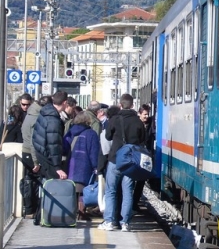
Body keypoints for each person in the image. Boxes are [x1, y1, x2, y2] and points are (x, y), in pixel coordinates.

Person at [99, 94, 144, 232]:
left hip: (115, 159)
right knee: (128, 192)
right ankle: (125, 223)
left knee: (111, 191)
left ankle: (109, 222)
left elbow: (107, 136)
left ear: (120, 104)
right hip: (131, 161)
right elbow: (143, 138)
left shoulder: (115, 119)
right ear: (132, 105)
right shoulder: (138, 121)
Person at [63, 111, 100, 222]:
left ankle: (71, 213)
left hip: (70, 165)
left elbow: (64, 148)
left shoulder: (70, 132)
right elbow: (94, 152)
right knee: (83, 191)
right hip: (84, 166)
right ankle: (81, 213)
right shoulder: (91, 133)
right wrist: (96, 166)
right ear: (87, 121)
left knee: (72, 190)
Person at [21, 95, 51, 224]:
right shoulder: (36, 117)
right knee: (32, 183)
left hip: (25, 151)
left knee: (29, 181)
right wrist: (36, 161)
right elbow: (34, 141)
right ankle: (32, 211)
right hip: (31, 154)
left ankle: (29, 211)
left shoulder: (30, 113)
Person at [32, 90, 69, 182]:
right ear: (64, 103)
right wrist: (57, 167)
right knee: (54, 186)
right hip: (48, 157)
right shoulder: (53, 120)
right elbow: (53, 144)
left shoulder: (46, 112)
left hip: (41, 153)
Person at [132, 104, 155, 211]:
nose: (146, 116)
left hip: (145, 155)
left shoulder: (151, 124)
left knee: (141, 180)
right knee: (132, 180)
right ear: (139, 114)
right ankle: (131, 202)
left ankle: (135, 202)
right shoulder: (135, 124)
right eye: (144, 114)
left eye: (147, 114)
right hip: (136, 154)